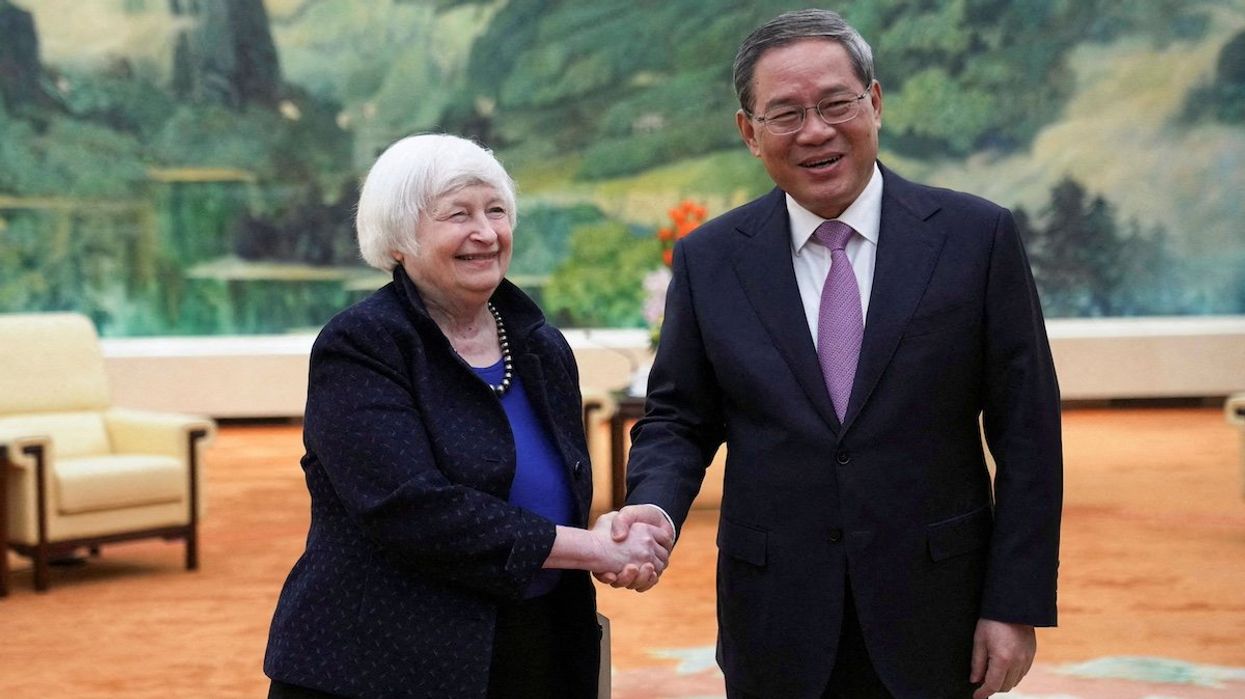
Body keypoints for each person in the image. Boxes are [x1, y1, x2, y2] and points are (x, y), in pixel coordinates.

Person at [601, 9, 1063, 699]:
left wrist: (1013, 602)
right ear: (748, 133)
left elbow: (1026, 432)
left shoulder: (975, 238)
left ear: (873, 103)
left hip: (937, 608)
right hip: (774, 617)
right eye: (784, 113)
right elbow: (679, 417)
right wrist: (654, 507)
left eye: (835, 103)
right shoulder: (711, 257)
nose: (814, 131)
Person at [263, 133, 671, 699]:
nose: (485, 233)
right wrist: (590, 548)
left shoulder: (540, 345)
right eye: (458, 215)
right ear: (400, 238)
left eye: (496, 210)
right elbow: (410, 508)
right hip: (383, 664)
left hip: (538, 646)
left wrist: (612, 532)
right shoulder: (361, 345)